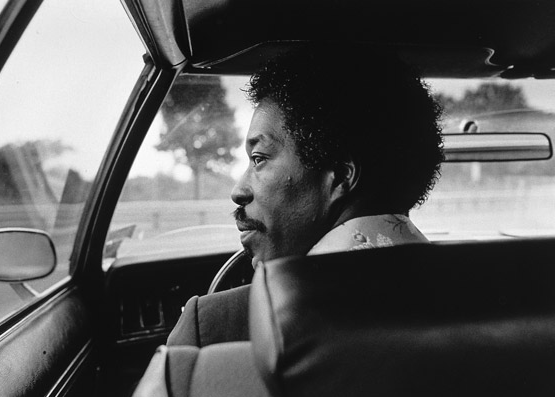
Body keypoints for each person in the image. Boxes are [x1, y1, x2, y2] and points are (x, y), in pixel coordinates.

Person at [167, 43, 444, 346]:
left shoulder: (215, 325)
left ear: (339, 176)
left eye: (259, 158)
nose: (239, 190)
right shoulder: (481, 296)